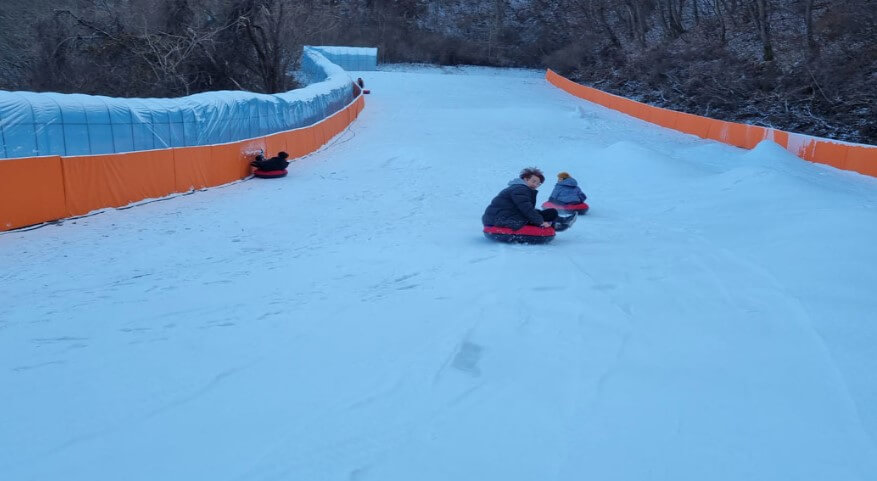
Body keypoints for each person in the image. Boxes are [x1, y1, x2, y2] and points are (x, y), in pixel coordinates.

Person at [482, 167, 576, 232]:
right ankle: (555, 225)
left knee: (550, 212)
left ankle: (562, 220)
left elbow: (526, 209)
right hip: (498, 219)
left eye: (538, 184)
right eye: (533, 181)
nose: (535, 185)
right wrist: (541, 222)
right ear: (526, 179)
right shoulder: (520, 189)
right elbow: (526, 209)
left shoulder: (520, 188)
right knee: (531, 217)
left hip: (506, 215)